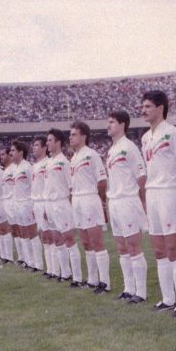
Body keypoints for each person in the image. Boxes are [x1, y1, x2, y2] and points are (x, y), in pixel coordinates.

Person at [140, 91, 176, 318]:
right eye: (143, 106)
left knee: (173, 249)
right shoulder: (144, 137)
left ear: (161, 107)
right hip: (153, 194)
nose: (144, 110)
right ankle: (168, 298)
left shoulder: (173, 133)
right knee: (159, 250)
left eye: (148, 106)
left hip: (170, 192)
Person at [106, 111, 149, 303]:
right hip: (114, 202)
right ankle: (128, 288)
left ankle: (141, 292)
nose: (109, 126)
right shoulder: (111, 150)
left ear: (122, 124)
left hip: (128, 201)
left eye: (112, 122)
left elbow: (141, 176)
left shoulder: (129, 147)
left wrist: (142, 201)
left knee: (133, 245)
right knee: (122, 247)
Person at [69, 121, 111, 293]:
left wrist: (100, 200)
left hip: (89, 199)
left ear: (83, 136)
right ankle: (93, 280)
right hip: (77, 200)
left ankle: (105, 282)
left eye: (74, 134)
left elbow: (102, 181)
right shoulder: (73, 158)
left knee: (96, 241)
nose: (70, 138)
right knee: (86, 242)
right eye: (70, 135)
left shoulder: (91, 155)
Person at [44, 129, 79, 284]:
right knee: (56, 238)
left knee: (69, 238)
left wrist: (70, 206)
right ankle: (65, 273)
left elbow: (71, 186)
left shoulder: (64, 162)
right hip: (50, 204)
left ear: (58, 142)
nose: (47, 143)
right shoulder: (49, 162)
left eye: (50, 140)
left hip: (61, 203)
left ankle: (77, 277)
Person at [10, 140, 42, 271]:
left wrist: (33, 205)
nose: (10, 153)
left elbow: (34, 186)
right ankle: (29, 261)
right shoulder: (15, 168)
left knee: (32, 233)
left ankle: (38, 264)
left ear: (20, 152)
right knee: (22, 232)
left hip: (27, 203)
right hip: (17, 204)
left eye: (13, 150)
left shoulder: (27, 167)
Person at [30, 137, 52, 274]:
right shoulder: (35, 166)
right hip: (36, 203)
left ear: (44, 148)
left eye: (37, 145)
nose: (34, 147)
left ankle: (56, 269)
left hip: (46, 202)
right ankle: (49, 268)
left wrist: (45, 206)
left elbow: (48, 187)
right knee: (43, 236)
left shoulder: (48, 163)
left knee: (51, 236)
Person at [0, 149, 16, 263]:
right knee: (7, 229)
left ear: (9, 155)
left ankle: (27, 259)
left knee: (20, 231)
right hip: (5, 202)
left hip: (14, 202)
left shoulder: (14, 168)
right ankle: (8, 256)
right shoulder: (4, 171)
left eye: (3, 154)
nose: (1, 157)